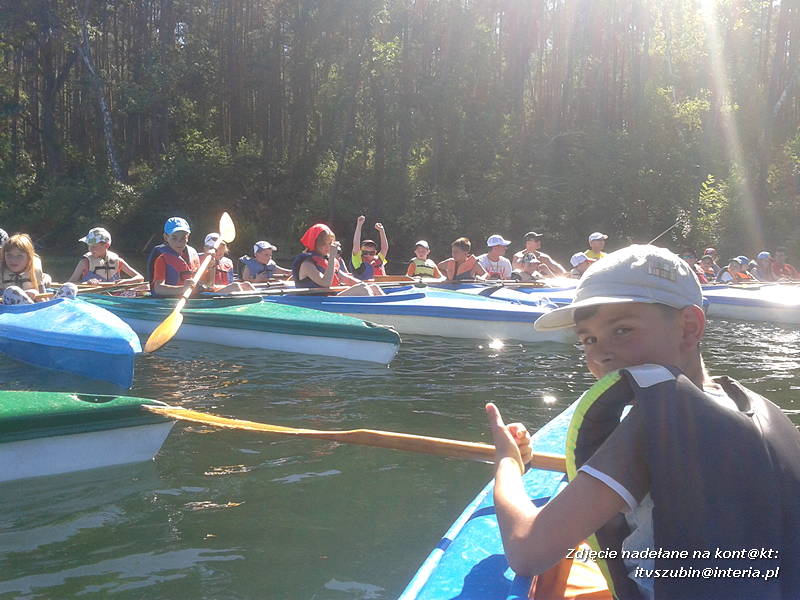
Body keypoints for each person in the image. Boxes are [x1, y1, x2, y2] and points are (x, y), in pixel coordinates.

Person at [487, 244, 800, 600]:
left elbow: (527, 550)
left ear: (689, 328)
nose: (599, 354)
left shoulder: (650, 428)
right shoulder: (759, 410)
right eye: (588, 339)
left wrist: (508, 463)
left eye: (622, 330)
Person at [292, 223, 383, 296]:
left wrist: (366, 284)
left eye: (330, 243)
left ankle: (386, 309)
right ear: (315, 243)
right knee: (363, 289)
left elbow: (347, 279)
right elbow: (325, 283)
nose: (328, 247)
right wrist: (332, 256)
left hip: (330, 298)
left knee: (373, 287)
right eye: (324, 243)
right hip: (316, 302)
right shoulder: (307, 264)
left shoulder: (326, 260)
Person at [67, 227, 144, 285]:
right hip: (92, 296)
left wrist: (127, 281)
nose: (90, 249)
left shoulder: (118, 261)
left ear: (106, 246)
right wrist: (87, 283)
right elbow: (69, 283)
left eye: (94, 246)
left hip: (113, 295)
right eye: (89, 246)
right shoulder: (84, 262)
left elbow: (140, 278)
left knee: (145, 287)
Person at [351, 216, 388, 280]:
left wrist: (382, 230)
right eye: (365, 252)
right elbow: (356, 245)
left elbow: (384, 248)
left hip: (380, 285)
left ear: (375, 252)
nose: (368, 255)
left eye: (371, 253)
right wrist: (359, 225)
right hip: (364, 285)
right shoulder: (358, 261)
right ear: (361, 251)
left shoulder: (378, 259)